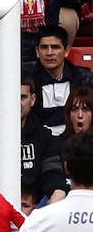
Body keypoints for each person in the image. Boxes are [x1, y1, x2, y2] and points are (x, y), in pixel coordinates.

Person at [30, 26, 93, 137]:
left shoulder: (85, 79)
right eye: (44, 47)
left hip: (78, 142)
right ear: (37, 52)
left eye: (55, 47)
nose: (49, 53)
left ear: (66, 51)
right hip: (39, 144)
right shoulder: (26, 80)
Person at [21, 76, 69, 207]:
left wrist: (44, 215)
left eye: (22, 97)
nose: (17, 103)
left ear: (32, 100)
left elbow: (53, 177)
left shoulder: (44, 137)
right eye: (11, 97)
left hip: (35, 210)